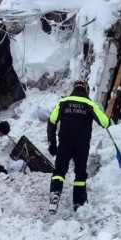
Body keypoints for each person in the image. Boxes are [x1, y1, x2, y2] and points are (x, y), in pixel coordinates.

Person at [47, 80, 110, 213]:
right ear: (86, 90)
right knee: (80, 173)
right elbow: (105, 122)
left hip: (65, 142)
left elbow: (52, 121)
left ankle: (55, 195)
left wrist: (52, 143)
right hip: (82, 144)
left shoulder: (63, 102)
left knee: (59, 170)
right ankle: (79, 203)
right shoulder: (89, 104)